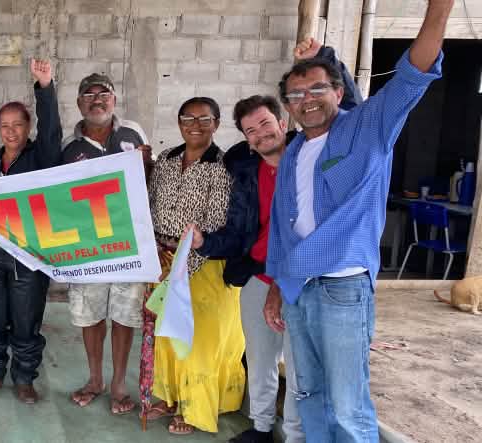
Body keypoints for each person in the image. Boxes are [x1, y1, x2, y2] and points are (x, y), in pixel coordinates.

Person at [266, 2, 452, 441]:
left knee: (349, 406)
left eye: (315, 90)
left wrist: (439, 8)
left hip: (342, 287)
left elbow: (413, 73)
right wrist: (276, 287)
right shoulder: (293, 152)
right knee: (309, 393)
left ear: (337, 90)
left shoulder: (368, 128)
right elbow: (282, 228)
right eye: (295, 96)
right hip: (297, 288)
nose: (306, 101)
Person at [187, 40, 362, 443]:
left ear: (283, 123)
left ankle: (296, 436)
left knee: (300, 366)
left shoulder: (313, 153)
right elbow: (236, 231)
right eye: (251, 130)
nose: (261, 134)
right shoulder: (245, 172)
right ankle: (262, 428)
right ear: (247, 140)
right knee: (260, 359)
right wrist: (203, 243)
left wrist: (325, 58)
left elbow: (349, 112)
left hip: (304, 279)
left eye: (266, 124)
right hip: (259, 277)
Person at [146, 97, 244, 435]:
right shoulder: (167, 161)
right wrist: (156, 259)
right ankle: (169, 396)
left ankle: (194, 408)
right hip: (163, 260)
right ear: (178, 122)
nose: (195, 125)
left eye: (205, 119)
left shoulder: (222, 166)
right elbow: (151, 207)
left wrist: (180, 268)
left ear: (216, 124)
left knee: (197, 338)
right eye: (188, 117)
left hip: (202, 264)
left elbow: (215, 224)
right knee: (167, 335)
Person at [0, 59, 60, 404]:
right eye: (4, 126)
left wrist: (45, 88)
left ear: (28, 127)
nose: (10, 132)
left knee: (25, 321)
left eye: (17, 125)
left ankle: (24, 378)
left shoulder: (42, 159)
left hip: (28, 256)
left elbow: (51, 132)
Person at [63, 72, 152, 415]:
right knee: (90, 315)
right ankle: (95, 378)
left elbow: (149, 178)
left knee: (125, 315)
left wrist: (147, 164)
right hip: (88, 246)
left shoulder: (133, 134)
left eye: (104, 94)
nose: (97, 100)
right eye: (89, 95)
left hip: (129, 243)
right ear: (79, 103)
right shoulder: (69, 148)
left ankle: (118, 383)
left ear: (114, 100)